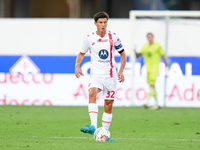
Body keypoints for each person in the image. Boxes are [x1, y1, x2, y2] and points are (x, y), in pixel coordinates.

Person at [75, 12, 126, 142]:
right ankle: (93, 126)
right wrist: (77, 65)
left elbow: (123, 54)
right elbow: (81, 53)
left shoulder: (113, 37)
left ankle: (105, 133)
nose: (103, 25)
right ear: (95, 23)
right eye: (100, 22)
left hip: (110, 76)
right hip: (96, 75)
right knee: (92, 93)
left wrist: (121, 71)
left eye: (105, 22)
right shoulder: (89, 38)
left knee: (108, 104)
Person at [135, 33, 167, 110]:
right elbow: (139, 55)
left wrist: (165, 62)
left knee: (151, 84)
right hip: (148, 68)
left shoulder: (157, 46)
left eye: (151, 37)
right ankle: (157, 104)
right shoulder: (145, 47)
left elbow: (162, 54)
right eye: (148, 37)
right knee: (151, 85)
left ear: (153, 37)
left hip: (155, 67)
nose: (149, 38)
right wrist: (135, 52)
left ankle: (147, 102)